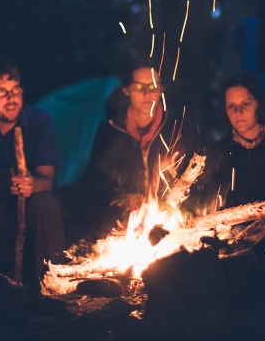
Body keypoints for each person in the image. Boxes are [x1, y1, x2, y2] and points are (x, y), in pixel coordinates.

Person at [0, 58, 65, 283]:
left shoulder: (40, 121)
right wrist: (4, 180)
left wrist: (29, 184)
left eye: (15, 90)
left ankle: (52, 286)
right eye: (1, 92)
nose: (11, 99)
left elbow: (46, 180)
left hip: (30, 211)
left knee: (47, 202)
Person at [78, 59, 200, 233]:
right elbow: (95, 186)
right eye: (138, 87)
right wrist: (122, 198)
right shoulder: (109, 132)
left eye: (153, 87)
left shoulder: (178, 130)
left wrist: (160, 201)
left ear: (162, 90)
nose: (147, 94)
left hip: (170, 221)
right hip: (122, 224)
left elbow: (194, 181)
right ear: (126, 91)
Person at [200, 72, 265, 209]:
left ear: (259, 104)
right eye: (231, 106)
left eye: (246, 104)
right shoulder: (220, 151)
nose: (238, 112)